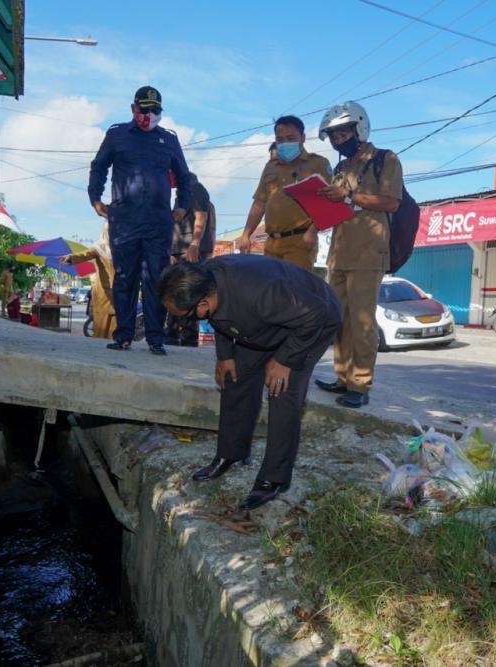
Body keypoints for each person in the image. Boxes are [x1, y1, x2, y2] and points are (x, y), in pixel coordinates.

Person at [157, 255, 342, 510]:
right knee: (234, 376)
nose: (183, 322)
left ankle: (274, 479)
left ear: (202, 302)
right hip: (268, 321)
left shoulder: (261, 291)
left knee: (282, 390)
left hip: (313, 319)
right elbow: (217, 316)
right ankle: (231, 453)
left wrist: (285, 359)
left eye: (186, 316)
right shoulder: (205, 277)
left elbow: (316, 313)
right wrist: (225, 355)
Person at [88, 85, 193, 356]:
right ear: (133, 109)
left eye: (155, 110)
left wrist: (182, 205)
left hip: (159, 221)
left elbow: (184, 177)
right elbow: (99, 166)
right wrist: (95, 198)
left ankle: (156, 339)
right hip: (124, 220)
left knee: (156, 279)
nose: (149, 114)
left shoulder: (169, 140)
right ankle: (123, 335)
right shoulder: (117, 135)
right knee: (125, 277)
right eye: (144, 109)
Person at [313, 101, 402, 409]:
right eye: (334, 137)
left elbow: (391, 202)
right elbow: (338, 208)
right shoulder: (340, 168)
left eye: (342, 134)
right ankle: (342, 379)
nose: (339, 141)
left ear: (359, 128)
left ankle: (360, 385)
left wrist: (349, 195)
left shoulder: (385, 159)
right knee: (339, 320)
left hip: (367, 254)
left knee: (362, 322)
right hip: (338, 253)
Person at [239, 115, 331, 271]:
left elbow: (329, 203)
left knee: (296, 291)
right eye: (280, 139)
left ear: (302, 138)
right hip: (271, 243)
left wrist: (313, 230)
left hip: (300, 241)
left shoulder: (318, 164)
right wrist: (246, 234)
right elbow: (259, 203)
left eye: (290, 138)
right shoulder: (271, 166)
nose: (285, 143)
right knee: (272, 292)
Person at [166, 174, 217, 346]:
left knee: (190, 293)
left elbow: (200, 218)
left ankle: (189, 336)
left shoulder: (195, 189)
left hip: (192, 251)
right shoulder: (182, 193)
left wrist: (194, 244)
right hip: (181, 251)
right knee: (175, 291)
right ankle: (172, 333)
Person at [60, 223, 117, 339]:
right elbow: (85, 254)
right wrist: (71, 258)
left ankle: (114, 352)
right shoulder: (98, 248)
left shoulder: (123, 248)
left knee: (116, 327)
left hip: (119, 291)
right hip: (103, 293)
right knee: (101, 326)